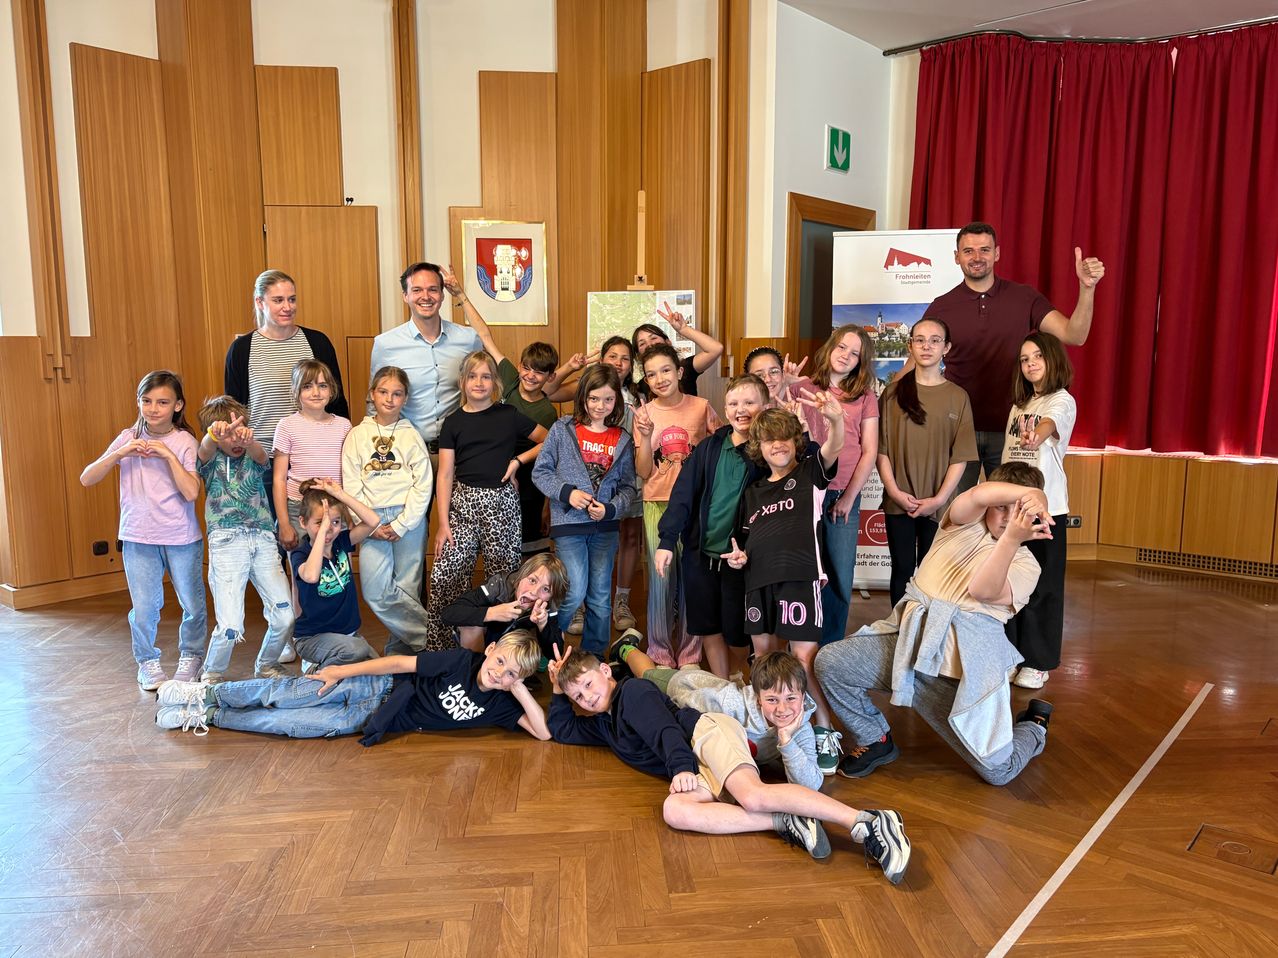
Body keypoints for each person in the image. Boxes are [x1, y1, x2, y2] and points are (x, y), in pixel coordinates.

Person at [548, 645, 911, 884]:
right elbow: (561, 729)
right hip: (695, 763)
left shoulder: (632, 692)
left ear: (606, 671)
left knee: (752, 795)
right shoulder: (605, 724)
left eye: (588, 684)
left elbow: (664, 730)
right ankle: (785, 821)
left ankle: (867, 822)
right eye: (578, 695)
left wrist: (681, 768)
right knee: (675, 810)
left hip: (704, 736)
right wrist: (557, 690)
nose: (587, 696)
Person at [815, 462, 1055, 786]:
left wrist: (1011, 538)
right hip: (908, 652)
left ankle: (1035, 725)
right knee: (831, 662)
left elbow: (982, 590)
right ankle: (876, 739)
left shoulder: (1027, 565)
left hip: (959, 679)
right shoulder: (961, 524)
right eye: (1002, 507)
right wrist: (1033, 494)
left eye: (1020, 512)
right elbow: (979, 494)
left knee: (999, 772)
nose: (1009, 518)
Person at [921, 222, 1104, 488]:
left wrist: (1087, 288)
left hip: (1014, 430)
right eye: (968, 251)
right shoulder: (941, 306)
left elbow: (1074, 335)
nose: (977, 257)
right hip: (957, 431)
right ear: (957, 257)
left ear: (997, 253)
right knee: (957, 510)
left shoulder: (1024, 297)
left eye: (985, 250)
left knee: (1010, 509)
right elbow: (918, 363)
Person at [725, 397, 846, 775]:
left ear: (796, 441)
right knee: (763, 660)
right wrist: (739, 558)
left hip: (800, 579)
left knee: (802, 661)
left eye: (783, 438)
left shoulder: (810, 474)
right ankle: (768, 733)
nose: (777, 445)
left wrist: (835, 420)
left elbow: (834, 446)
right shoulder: (753, 492)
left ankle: (823, 729)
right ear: (759, 447)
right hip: (758, 582)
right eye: (768, 440)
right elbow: (745, 542)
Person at [154, 630, 550, 744]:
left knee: (286, 725)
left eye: (511, 674)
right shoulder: (462, 661)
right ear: (491, 650)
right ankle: (205, 693)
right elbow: (398, 663)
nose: (500, 674)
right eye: (501, 662)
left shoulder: (502, 704)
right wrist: (342, 672)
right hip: (373, 686)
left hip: (366, 719)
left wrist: (518, 689)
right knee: (284, 694)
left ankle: (207, 715)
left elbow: (543, 733)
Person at [80, 370, 207, 690]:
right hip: (137, 536)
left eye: (162, 402)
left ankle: (192, 656)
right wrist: (119, 453)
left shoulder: (184, 441)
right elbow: (87, 478)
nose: (153, 409)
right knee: (145, 608)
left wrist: (166, 455)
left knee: (192, 605)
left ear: (178, 405)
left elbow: (191, 492)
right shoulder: (128, 437)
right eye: (146, 401)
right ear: (138, 402)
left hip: (181, 537)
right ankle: (147, 661)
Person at [424, 351, 549, 650]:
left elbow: (549, 439)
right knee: (445, 576)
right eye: (472, 376)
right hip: (463, 506)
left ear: (495, 382)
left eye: (486, 376)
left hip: (502, 506)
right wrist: (443, 523)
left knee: (504, 581)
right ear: (462, 381)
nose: (479, 382)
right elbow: (445, 475)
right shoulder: (453, 422)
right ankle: (443, 650)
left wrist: (517, 461)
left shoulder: (508, 415)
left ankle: (505, 650)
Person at [654, 374, 770, 679]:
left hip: (741, 563)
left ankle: (746, 678)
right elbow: (682, 494)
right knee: (708, 627)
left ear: (765, 406)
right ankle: (722, 685)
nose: (740, 409)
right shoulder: (709, 447)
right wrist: (667, 540)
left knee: (737, 633)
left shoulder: (768, 453)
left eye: (749, 402)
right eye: (733, 403)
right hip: (700, 557)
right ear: (725, 409)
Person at [444, 264, 559, 557]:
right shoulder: (508, 378)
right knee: (494, 546)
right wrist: (461, 296)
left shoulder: (546, 411)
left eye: (539, 372)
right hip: (491, 474)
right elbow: (485, 335)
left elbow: (549, 449)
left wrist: (518, 462)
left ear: (549, 377)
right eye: (527, 368)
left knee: (526, 548)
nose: (531, 376)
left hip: (527, 479)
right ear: (518, 367)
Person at [613, 642, 823, 792]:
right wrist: (662, 704)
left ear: (803, 695)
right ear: (759, 699)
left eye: (791, 698)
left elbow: (811, 784)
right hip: (686, 688)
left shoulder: (800, 726)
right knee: (647, 674)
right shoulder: (732, 705)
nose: (783, 709)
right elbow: (688, 710)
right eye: (772, 700)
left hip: (709, 691)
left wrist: (786, 740)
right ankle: (625, 648)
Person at [532, 365, 636, 655]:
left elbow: (629, 487)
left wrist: (611, 509)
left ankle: (593, 657)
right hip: (569, 526)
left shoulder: (623, 439)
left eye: (608, 399)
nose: (600, 406)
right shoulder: (562, 429)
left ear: (617, 401)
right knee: (574, 590)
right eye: (594, 398)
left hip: (605, 529)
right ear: (583, 398)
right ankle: (547, 648)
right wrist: (568, 493)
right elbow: (540, 472)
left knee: (600, 596)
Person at [632, 342, 723, 667]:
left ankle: (690, 654)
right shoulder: (644, 414)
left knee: (692, 580)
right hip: (657, 503)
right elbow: (644, 471)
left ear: (680, 371)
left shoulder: (701, 407)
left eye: (666, 370)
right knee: (660, 581)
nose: (660, 379)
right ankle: (659, 651)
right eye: (651, 374)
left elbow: (722, 449)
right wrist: (646, 436)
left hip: (696, 506)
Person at [791, 326, 880, 646]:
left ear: (861, 361)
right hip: (804, 492)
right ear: (830, 348)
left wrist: (849, 498)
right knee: (803, 572)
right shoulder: (802, 387)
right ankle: (801, 642)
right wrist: (784, 386)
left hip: (843, 494)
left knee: (840, 574)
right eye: (841, 347)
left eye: (854, 353)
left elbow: (869, 451)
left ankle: (830, 646)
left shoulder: (865, 397)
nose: (845, 356)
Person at [878, 319, 977, 606]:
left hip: (939, 504)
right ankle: (900, 627)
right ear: (910, 346)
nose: (926, 346)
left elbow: (960, 456)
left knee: (933, 574)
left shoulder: (958, 397)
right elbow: (881, 450)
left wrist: (939, 499)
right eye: (919, 340)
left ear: (946, 348)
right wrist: (895, 492)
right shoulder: (892, 394)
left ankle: (928, 628)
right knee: (901, 569)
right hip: (899, 501)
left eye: (935, 340)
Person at [195, 396, 294, 683]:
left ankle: (267, 664)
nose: (235, 438)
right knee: (230, 626)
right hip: (227, 542)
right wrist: (214, 435)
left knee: (285, 616)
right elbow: (204, 450)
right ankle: (212, 673)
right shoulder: (211, 460)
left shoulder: (253, 455)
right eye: (227, 433)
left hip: (263, 539)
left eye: (240, 430)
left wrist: (249, 440)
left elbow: (262, 457)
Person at [1001, 332, 1077, 690]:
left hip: (1047, 509)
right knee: (1011, 583)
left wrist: (1038, 434)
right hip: (1013, 509)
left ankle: (1038, 661)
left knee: (1043, 586)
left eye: (1037, 357)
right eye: (1024, 359)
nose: (1030, 364)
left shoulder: (1062, 400)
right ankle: (1011, 655)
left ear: (1052, 360)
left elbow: (1050, 425)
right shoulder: (1020, 405)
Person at [341, 366, 433, 655]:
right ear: (372, 394)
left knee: (407, 590)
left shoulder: (411, 435)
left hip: (408, 517)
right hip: (371, 518)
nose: (389, 399)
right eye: (383, 392)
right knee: (375, 590)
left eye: (397, 394)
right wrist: (367, 523)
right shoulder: (357, 435)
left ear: (405, 398)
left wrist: (403, 523)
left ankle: (400, 653)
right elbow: (351, 483)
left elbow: (423, 483)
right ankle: (436, 637)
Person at [224, 269, 350, 458]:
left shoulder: (318, 343)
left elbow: (337, 402)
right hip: (261, 457)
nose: (287, 307)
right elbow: (233, 410)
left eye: (292, 299)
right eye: (278, 300)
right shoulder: (241, 349)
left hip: (314, 454)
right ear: (260, 302)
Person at [370, 262, 481, 458]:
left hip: (458, 450)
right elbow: (373, 402)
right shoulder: (385, 344)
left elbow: (486, 378)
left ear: (442, 295)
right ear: (405, 296)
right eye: (417, 290)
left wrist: (461, 294)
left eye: (433, 289)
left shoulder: (468, 339)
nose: (426, 296)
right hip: (406, 451)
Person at [290, 479, 382, 668]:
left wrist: (340, 495)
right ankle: (314, 669)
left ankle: (336, 667)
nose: (330, 529)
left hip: (347, 635)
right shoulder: (301, 554)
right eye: (320, 523)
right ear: (303, 522)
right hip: (312, 638)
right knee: (358, 651)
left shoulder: (341, 542)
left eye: (335, 522)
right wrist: (322, 532)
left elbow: (373, 521)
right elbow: (311, 576)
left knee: (379, 669)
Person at [272, 359, 353, 551]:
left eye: (322, 386)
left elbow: (350, 475)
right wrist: (284, 524)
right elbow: (279, 479)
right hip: (299, 507)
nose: (316, 393)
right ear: (296, 391)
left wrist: (350, 514)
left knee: (338, 562)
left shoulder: (344, 426)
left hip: (336, 507)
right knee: (303, 563)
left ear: (331, 390)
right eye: (307, 386)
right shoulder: (286, 426)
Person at [439, 553, 569, 658]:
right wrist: (492, 612)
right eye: (532, 580)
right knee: (470, 625)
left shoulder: (547, 604)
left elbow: (555, 655)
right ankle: (475, 671)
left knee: (550, 635)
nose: (534, 592)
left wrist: (543, 625)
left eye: (546, 589)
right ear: (521, 576)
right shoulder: (499, 586)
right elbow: (449, 614)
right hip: (484, 643)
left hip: (513, 652)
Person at [631, 301, 725, 400]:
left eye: (653, 338)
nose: (649, 344)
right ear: (638, 355)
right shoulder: (642, 386)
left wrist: (684, 329)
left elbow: (715, 349)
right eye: (642, 343)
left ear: (668, 342)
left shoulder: (685, 367)